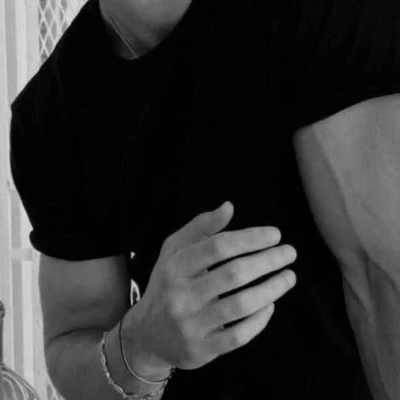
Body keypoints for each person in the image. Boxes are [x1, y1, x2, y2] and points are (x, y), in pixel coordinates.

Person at [9, 0, 400, 398]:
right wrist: (141, 344)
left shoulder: (318, 11)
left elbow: (386, 283)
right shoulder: (50, 113)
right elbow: (73, 338)